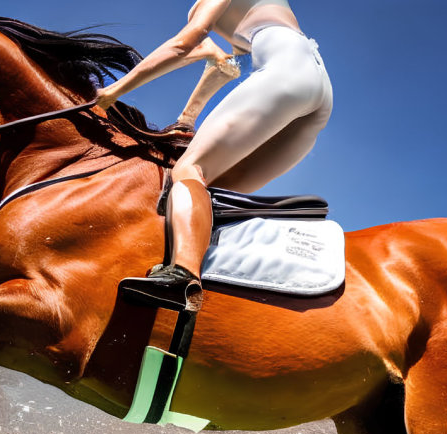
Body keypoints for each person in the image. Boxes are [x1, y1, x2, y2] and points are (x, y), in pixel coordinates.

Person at [95, 0, 333, 311]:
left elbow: (184, 44)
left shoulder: (203, 7)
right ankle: (224, 291)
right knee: (214, 191)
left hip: (286, 72)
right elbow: (226, 64)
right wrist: (187, 119)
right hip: (317, 87)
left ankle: (182, 276)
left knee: (187, 172)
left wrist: (113, 92)